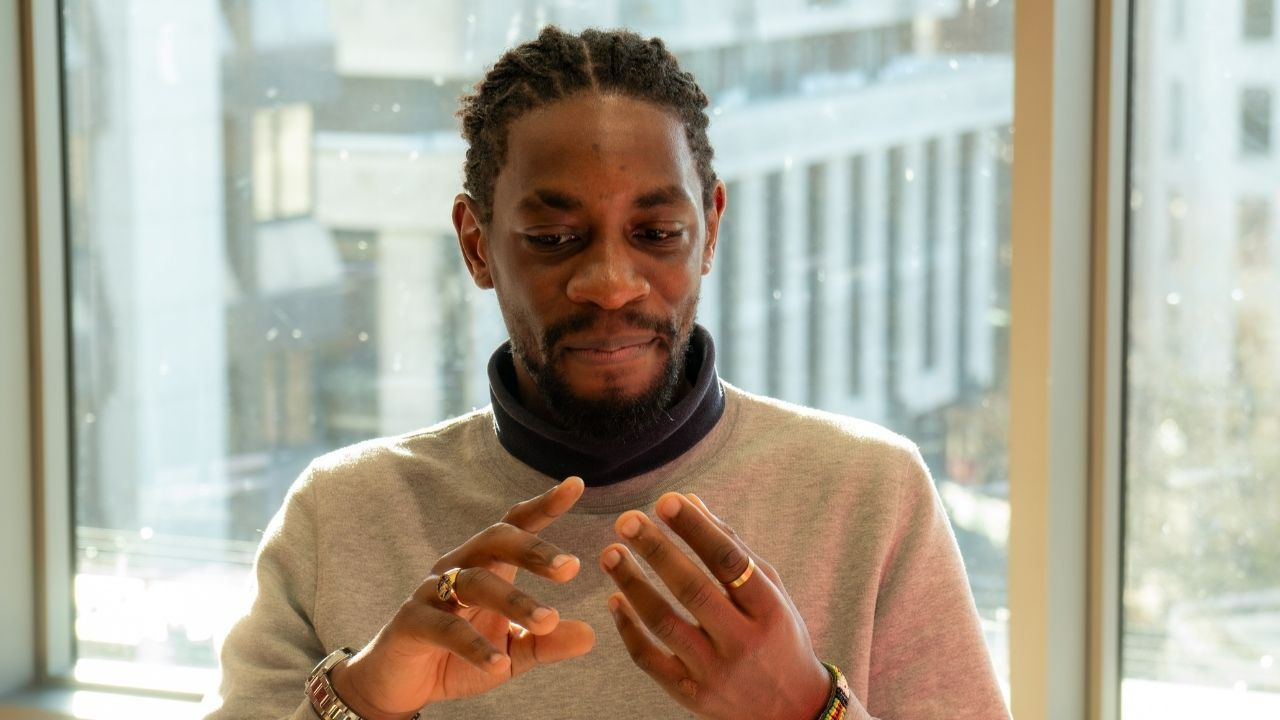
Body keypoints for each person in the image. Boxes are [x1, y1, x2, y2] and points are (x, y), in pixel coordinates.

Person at [204, 25, 1009, 720]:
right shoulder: (341, 516)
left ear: (711, 228)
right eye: (554, 240)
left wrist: (806, 706)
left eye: (657, 231)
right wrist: (366, 696)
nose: (611, 283)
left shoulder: (871, 496)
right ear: (477, 243)